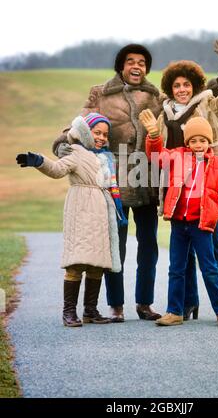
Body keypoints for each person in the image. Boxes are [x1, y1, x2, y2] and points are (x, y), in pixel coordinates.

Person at [52, 44, 163, 322]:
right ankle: (116, 305)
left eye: (141, 62)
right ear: (121, 66)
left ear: (146, 68)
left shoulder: (155, 96)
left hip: (147, 180)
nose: (136, 66)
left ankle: (145, 304)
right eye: (130, 61)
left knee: (149, 246)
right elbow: (79, 125)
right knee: (117, 246)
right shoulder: (100, 93)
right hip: (113, 181)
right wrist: (64, 143)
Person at [153, 39, 218, 320]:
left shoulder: (207, 105)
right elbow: (156, 150)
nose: (182, 90)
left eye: (187, 85)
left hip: (208, 187)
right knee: (180, 261)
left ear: (194, 86)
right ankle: (184, 305)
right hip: (177, 191)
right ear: (171, 88)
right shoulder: (164, 114)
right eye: (177, 85)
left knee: (212, 254)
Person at [16, 113, 127, 327]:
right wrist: (39, 161)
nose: (101, 137)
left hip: (102, 212)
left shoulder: (106, 158)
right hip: (81, 208)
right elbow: (57, 170)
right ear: (86, 132)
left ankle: (90, 310)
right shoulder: (76, 152)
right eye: (97, 133)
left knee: (97, 263)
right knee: (76, 263)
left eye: (105, 134)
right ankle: (68, 312)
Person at [139, 114, 218, 327]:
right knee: (176, 268)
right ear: (187, 143)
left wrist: (217, 208)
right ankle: (174, 311)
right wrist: (154, 134)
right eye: (193, 141)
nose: (198, 145)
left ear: (209, 142)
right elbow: (156, 155)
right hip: (179, 224)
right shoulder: (177, 156)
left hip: (202, 225)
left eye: (202, 140)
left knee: (210, 268)